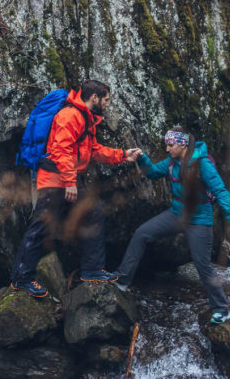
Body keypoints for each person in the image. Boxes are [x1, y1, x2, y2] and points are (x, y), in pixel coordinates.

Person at [10, 79, 141, 297]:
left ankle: (91, 270)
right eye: (106, 100)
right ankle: (21, 278)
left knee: (93, 213)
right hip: (55, 178)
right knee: (42, 226)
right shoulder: (70, 115)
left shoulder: (85, 118)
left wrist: (122, 155)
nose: (108, 105)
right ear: (95, 98)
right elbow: (61, 151)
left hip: (68, 178)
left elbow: (93, 150)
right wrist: (70, 182)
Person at [113, 127, 230, 324]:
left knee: (202, 265)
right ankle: (122, 280)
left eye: (170, 145)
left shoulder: (202, 164)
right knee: (141, 233)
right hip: (176, 214)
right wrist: (142, 159)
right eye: (167, 144)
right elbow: (153, 173)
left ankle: (222, 309)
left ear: (182, 145)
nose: (167, 148)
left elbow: (221, 191)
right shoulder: (173, 162)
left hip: (199, 220)